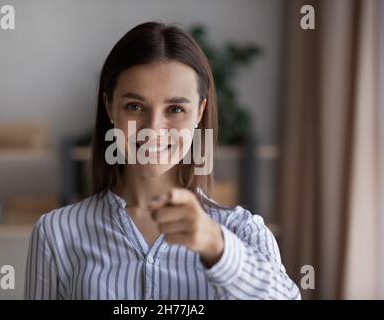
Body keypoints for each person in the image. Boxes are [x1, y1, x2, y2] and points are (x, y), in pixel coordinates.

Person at [24, 21, 301, 300]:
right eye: (135, 106)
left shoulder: (243, 231)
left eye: (176, 109)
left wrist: (217, 248)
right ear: (110, 107)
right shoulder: (56, 232)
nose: (153, 128)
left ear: (199, 113)